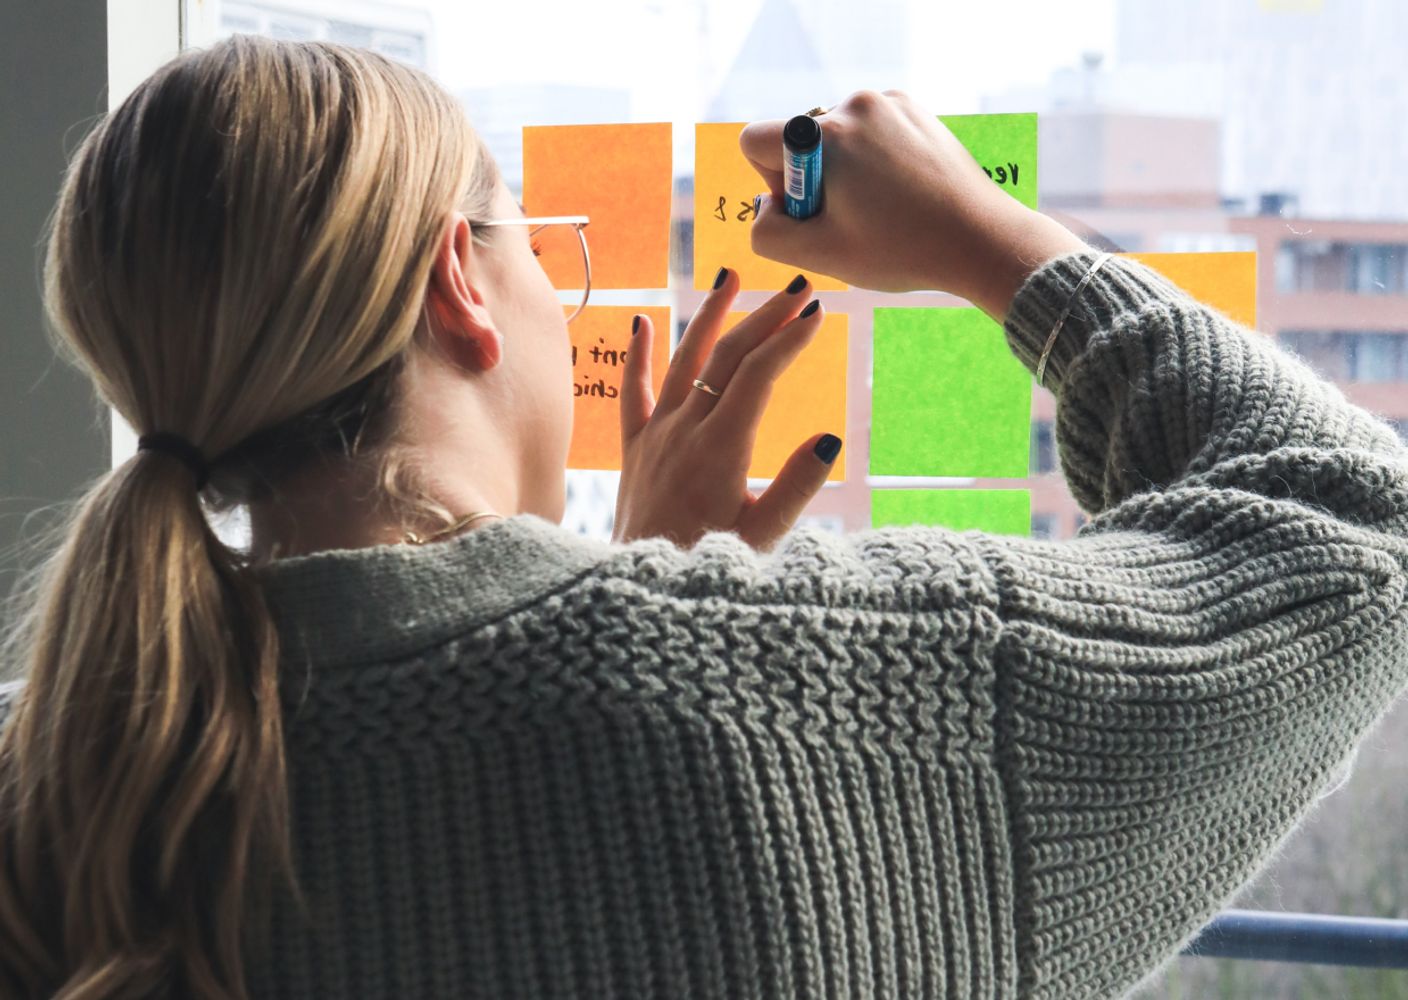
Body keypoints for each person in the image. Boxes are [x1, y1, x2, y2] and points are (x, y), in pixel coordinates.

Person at [0, 32, 1404, 1000]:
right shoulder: (827, 708)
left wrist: (638, 585)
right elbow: (1352, 533)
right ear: (460, 287)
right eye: (532, 242)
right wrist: (981, 234)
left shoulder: (66, 776)